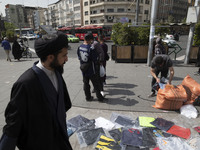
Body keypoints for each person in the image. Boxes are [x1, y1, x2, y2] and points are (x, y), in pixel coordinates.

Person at [0, 33, 73, 150]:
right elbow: (13, 125)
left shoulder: (57, 71)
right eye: (64, 55)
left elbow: (63, 103)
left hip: (60, 140)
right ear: (50, 57)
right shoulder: (25, 83)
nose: (67, 59)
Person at [77, 33, 106, 102]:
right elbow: (95, 59)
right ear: (90, 40)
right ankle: (100, 98)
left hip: (83, 68)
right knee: (96, 84)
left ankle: (88, 97)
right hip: (91, 69)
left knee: (86, 84)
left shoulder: (80, 47)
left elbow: (79, 57)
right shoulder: (91, 48)